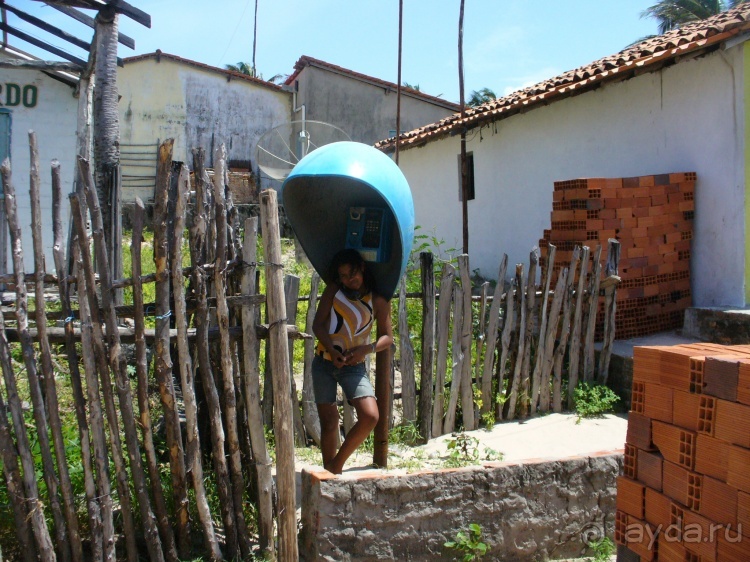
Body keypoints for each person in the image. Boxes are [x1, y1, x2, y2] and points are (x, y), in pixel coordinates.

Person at [312, 248, 393, 474]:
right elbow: (318, 325)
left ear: (363, 269)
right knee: (329, 422)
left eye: (353, 274)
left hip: (354, 367)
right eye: (344, 276)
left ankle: (336, 465)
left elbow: (387, 338)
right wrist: (332, 351)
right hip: (323, 363)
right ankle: (329, 473)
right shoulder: (334, 291)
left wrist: (365, 350)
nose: (350, 280)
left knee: (370, 416)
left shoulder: (377, 300)